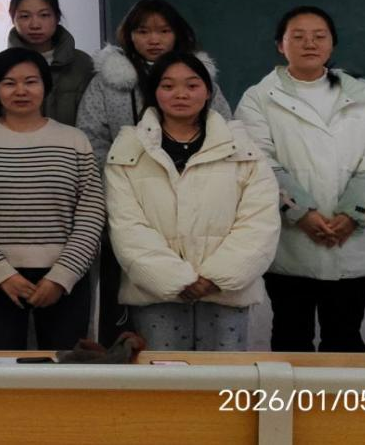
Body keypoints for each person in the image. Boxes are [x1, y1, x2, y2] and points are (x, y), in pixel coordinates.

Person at [235, 6, 365, 352]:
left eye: (319, 36)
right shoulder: (258, 98)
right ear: (280, 45)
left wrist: (353, 213)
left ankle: (343, 394)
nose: (309, 43)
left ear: (331, 44)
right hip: (289, 239)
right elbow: (256, 162)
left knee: (345, 337)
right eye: (298, 36)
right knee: (290, 336)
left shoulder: (361, 94)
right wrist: (301, 213)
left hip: (352, 237)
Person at [75, 0, 232, 343]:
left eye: (163, 30)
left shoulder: (201, 78)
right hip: (129, 210)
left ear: (178, 34)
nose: (154, 39)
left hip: (197, 213)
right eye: (143, 31)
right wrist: (120, 195)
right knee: (127, 315)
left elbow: (225, 136)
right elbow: (92, 141)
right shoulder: (106, 82)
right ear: (129, 35)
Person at [105, 51, 279, 351]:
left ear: (208, 92)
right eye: (168, 86)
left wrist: (217, 276)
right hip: (156, 293)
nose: (181, 94)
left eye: (192, 85)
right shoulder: (128, 149)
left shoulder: (241, 147)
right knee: (165, 376)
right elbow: (126, 226)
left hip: (225, 292)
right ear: (154, 92)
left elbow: (259, 220)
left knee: (224, 376)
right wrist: (175, 279)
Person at [0, 48, 105, 349]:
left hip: (65, 277)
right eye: (9, 83)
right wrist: (1, 274)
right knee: (3, 369)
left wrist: (62, 276)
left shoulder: (74, 140)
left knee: (65, 368)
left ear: (45, 86)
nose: (21, 91)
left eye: (31, 82)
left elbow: (91, 212)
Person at [0, 0, 94, 126]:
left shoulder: (83, 64)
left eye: (44, 15)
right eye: (25, 16)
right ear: (13, 19)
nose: (35, 25)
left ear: (57, 17)